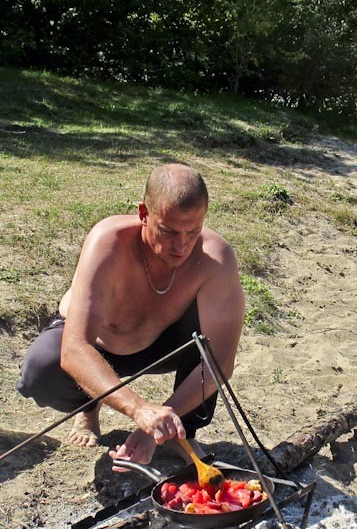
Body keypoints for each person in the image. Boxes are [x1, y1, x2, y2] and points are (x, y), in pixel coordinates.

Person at [16, 163, 245, 470]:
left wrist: (161, 423)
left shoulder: (215, 257)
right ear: (143, 214)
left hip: (163, 344)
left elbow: (219, 364)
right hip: (100, 344)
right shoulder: (109, 241)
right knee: (40, 370)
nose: (181, 246)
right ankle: (89, 406)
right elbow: (74, 350)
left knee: (208, 345)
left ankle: (182, 432)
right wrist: (139, 410)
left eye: (193, 231)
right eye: (168, 230)